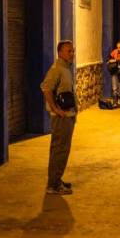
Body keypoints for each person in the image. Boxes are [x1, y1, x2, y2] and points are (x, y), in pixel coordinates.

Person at [40, 40, 77, 195]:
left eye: (73, 51)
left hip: (68, 115)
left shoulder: (66, 68)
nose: (72, 53)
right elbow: (46, 88)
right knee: (59, 150)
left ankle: (57, 179)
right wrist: (55, 109)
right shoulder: (56, 69)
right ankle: (53, 185)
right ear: (60, 52)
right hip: (61, 117)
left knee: (63, 149)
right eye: (69, 51)